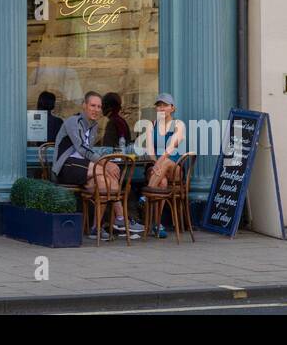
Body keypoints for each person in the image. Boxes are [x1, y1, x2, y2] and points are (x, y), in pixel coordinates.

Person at [52, 91, 143, 240]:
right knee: (105, 170)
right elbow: (82, 148)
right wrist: (105, 163)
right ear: (84, 106)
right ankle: (121, 218)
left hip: (83, 167)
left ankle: (96, 229)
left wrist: (104, 164)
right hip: (66, 167)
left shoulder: (93, 126)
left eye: (99, 106)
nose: (96, 109)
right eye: (92, 105)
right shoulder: (73, 122)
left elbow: (89, 153)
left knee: (103, 182)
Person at [142, 92, 187, 238]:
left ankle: (145, 195)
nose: (161, 109)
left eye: (165, 106)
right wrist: (155, 164)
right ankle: (157, 224)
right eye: (159, 106)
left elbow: (170, 149)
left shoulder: (179, 124)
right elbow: (150, 150)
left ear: (172, 108)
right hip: (157, 168)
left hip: (175, 168)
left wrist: (158, 164)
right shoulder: (151, 125)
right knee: (162, 182)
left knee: (167, 161)